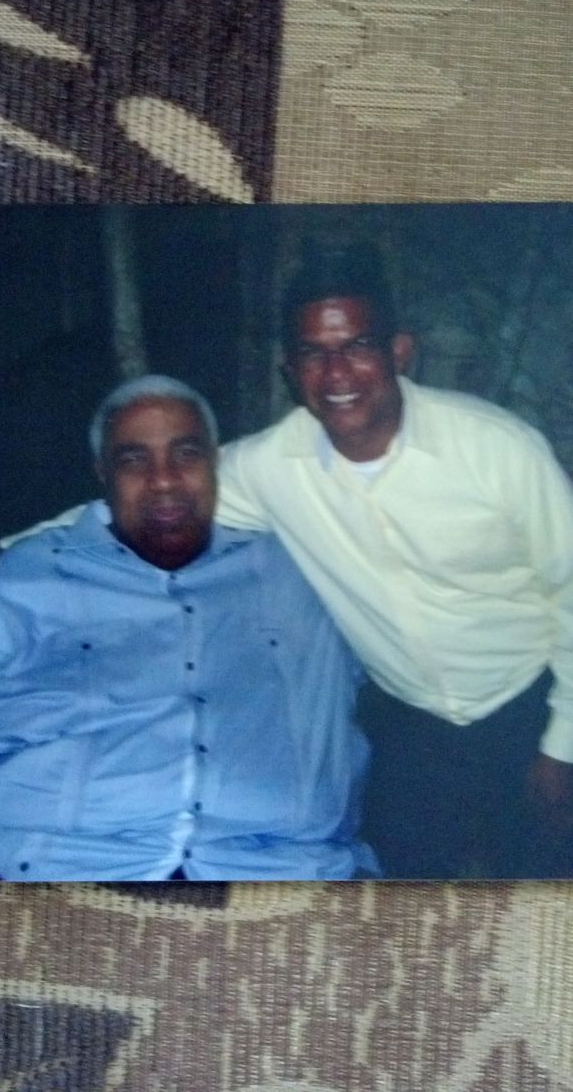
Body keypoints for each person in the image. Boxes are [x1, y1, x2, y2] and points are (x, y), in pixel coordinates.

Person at [0, 375, 377, 882]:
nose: (164, 480)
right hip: (54, 876)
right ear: (102, 473)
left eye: (186, 453)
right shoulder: (30, 574)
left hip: (282, 879)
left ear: (216, 462)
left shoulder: (302, 570)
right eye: (133, 459)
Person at [216, 242, 573, 878]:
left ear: (399, 352)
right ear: (290, 370)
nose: (337, 373)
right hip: (409, 722)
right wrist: (30, 545)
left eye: (357, 345)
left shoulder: (498, 449)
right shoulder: (268, 468)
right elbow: (157, 497)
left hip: (532, 699)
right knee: (401, 896)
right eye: (313, 353)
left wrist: (561, 746)